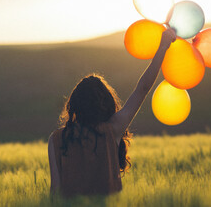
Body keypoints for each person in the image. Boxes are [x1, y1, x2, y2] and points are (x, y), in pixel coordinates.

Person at [48, 28, 177, 197]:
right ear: (105, 103)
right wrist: (163, 46)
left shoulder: (57, 139)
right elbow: (142, 89)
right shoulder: (112, 129)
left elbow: (55, 189)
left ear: (74, 105)